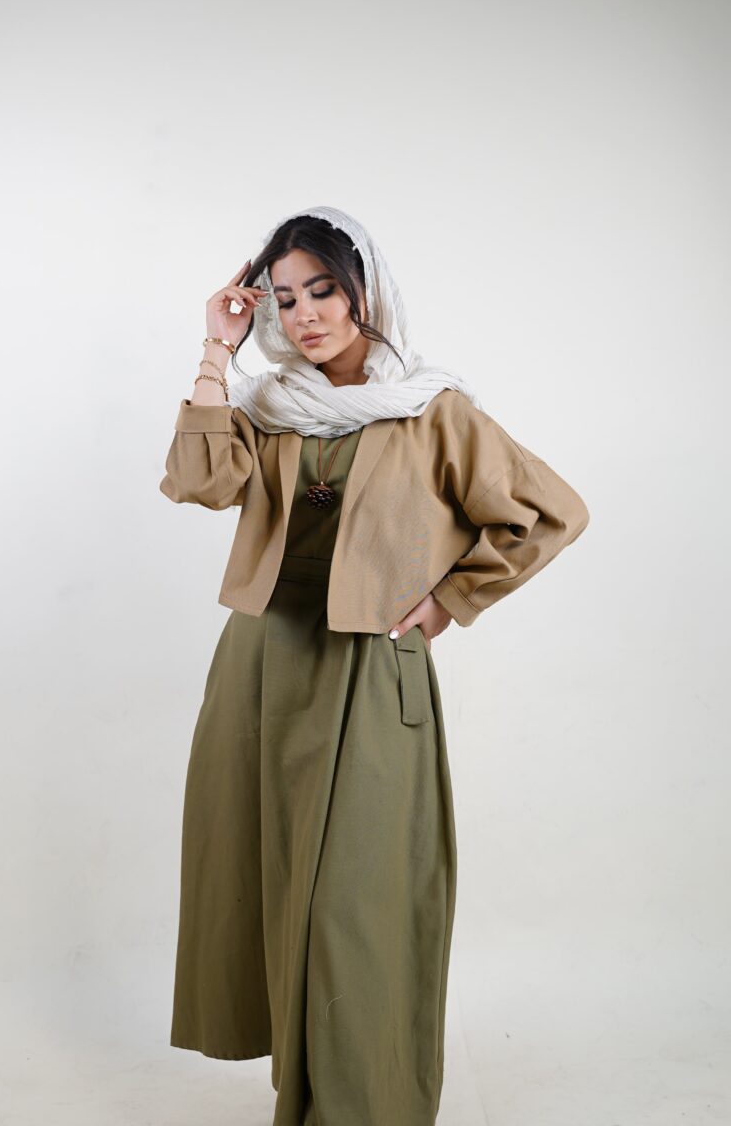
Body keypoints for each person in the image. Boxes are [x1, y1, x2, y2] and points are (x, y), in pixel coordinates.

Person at [159, 205, 590, 1125]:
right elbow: (200, 483)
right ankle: (302, 1094)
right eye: (284, 298)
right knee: (268, 883)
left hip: (368, 671)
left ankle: (363, 1107)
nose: (305, 314)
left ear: (364, 290)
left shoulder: (434, 409)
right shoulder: (268, 405)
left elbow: (550, 513)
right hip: (260, 666)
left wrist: (451, 599)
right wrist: (216, 352)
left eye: (322, 290)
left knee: (355, 901)